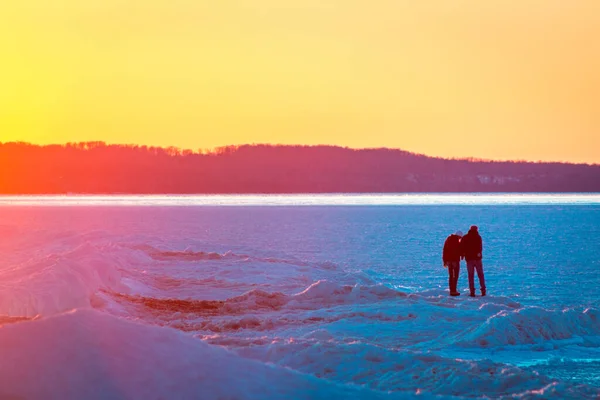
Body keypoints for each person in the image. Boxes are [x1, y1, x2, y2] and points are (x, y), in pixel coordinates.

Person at [461, 225, 486, 297]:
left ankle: (472, 292)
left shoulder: (465, 237)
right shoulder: (478, 237)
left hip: (469, 259)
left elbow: (462, 247)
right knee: (480, 275)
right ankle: (483, 291)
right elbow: (480, 248)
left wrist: (463, 255)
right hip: (477, 259)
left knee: (471, 275)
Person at [442, 231, 463, 296]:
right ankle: (454, 291)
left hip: (448, 261)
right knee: (455, 276)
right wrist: (462, 255)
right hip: (455, 260)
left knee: (451, 276)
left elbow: (444, 250)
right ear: (459, 236)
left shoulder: (448, 239)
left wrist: (444, 261)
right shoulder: (457, 241)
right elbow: (459, 251)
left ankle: (451, 290)